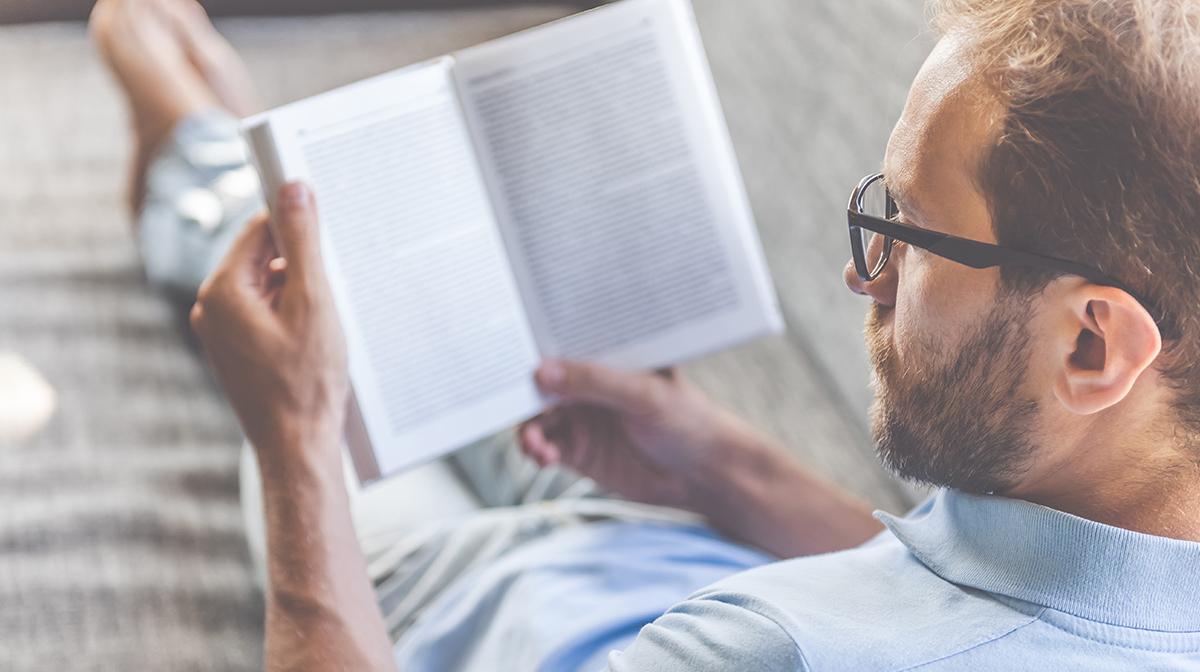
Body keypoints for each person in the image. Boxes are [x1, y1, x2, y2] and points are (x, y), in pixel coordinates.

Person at [91, 0, 1200, 668]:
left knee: (311, 331)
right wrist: (711, 461)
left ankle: (194, 157)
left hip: (467, 601)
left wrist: (296, 451)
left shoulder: (773, 657)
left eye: (907, 233)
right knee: (456, 327)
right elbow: (965, 587)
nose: (864, 275)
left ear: (1094, 347)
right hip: (672, 535)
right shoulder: (1119, 503)